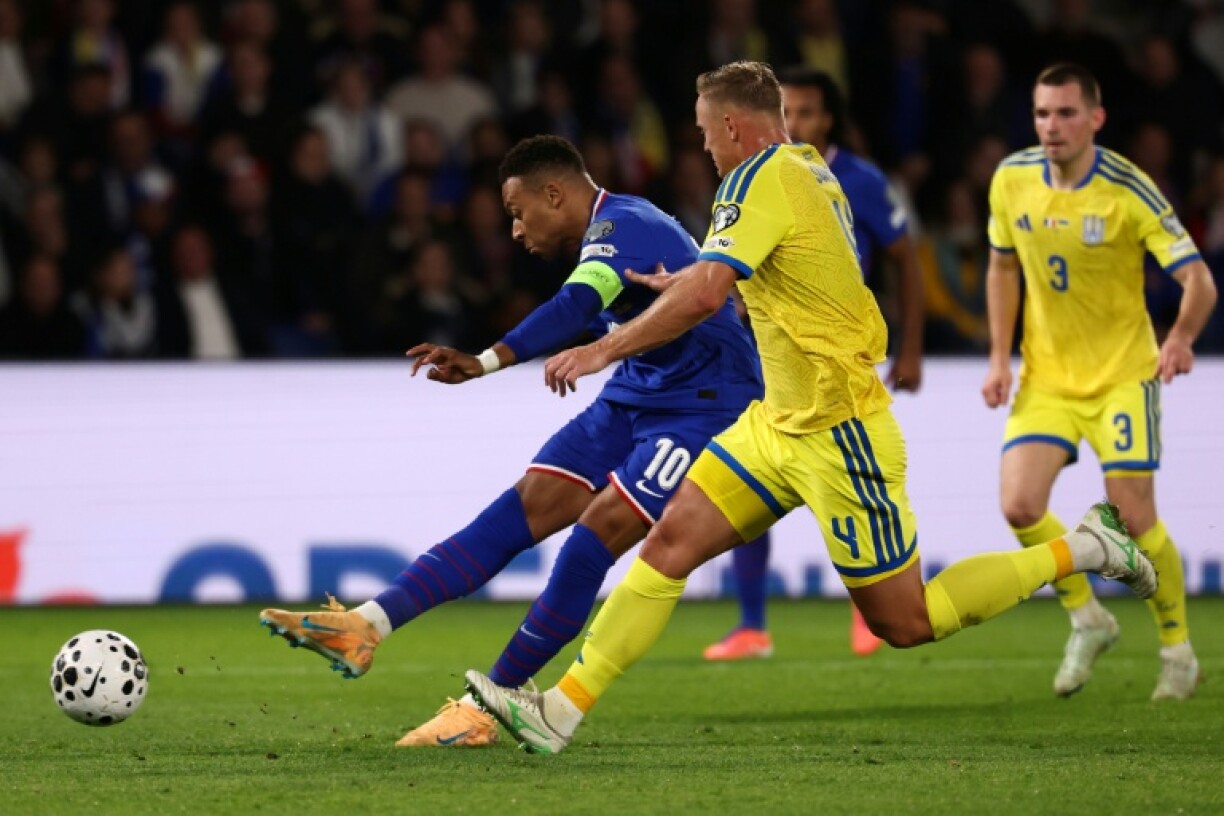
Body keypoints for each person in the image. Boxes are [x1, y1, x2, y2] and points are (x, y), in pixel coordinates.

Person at [462, 60, 1157, 756]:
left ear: (732, 125)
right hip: (776, 423)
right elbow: (758, 279)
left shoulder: (756, 180)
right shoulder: (808, 171)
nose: (704, 146)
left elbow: (710, 295)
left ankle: (1089, 547)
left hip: (839, 428)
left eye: (707, 132)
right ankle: (561, 709)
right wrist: (683, 281)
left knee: (907, 620)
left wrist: (602, 351)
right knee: (671, 543)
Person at [259, 134, 763, 747]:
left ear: (556, 193)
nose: (518, 231)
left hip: (704, 403)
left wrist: (487, 360)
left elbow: (575, 305)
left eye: (519, 213)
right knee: (520, 509)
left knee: (593, 538)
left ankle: (482, 710)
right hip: (638, 391)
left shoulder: (623, 224)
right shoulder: (615, 228)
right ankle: (366, 625)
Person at [980, 63, 1217, 700]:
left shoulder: (1127, 188)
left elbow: (1200, 279)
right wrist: (1001, 357)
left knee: (1136, 519)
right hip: (1048, 376)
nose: (1051, 126)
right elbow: (1003, 269)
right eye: (1041, 113)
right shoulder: (1012, 180)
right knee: (1019, 506)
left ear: (1095, 119)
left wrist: (1182, 338)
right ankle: (1088, 617)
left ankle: (1177, 649)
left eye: (1064, 113)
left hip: (1122, 374)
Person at [703, 66, 925, 662]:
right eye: (788, 110)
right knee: (748, 482)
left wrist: (909, 346)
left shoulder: (852, 178)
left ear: (828, 119)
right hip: (774, 351)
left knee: (845, 483)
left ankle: (869, 605)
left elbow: (906, 257)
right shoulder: (761, 176)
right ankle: (752, 624)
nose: (795, 122)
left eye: (806, 112)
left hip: (837, 355)